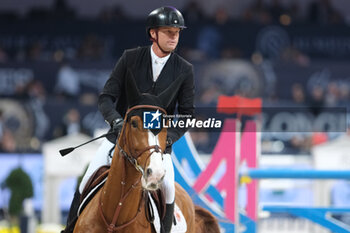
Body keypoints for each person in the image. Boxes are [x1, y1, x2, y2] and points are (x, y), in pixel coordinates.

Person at [62, 6, 195, 233]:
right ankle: (69, 229)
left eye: (177, 32)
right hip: (120, 138)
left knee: (169, 189)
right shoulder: (130, 58)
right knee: (85, 181)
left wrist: (167, 140)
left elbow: (186, 114)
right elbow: (106, 98)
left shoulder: (184, 69)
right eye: (168, 32)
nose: (174, 37)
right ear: (153, 33)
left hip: (157, 145)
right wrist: (116, 122)